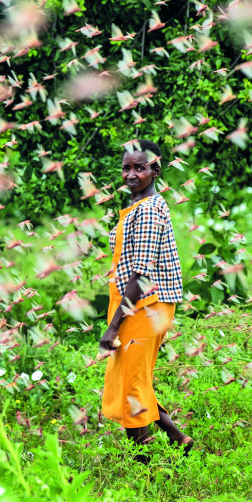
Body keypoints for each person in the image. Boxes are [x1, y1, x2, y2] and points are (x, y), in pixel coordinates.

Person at [100, 139, 193, 465]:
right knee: (134, 380)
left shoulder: (150, 212)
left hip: (146, 306)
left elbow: (140, 274)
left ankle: (147, 473)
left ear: (155, 169)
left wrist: (113, 328)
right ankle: (178, 439)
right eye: (126, 167)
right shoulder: (139, 208)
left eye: (140, 168)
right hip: (138, 306)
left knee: (131, 390)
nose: (131, 174)